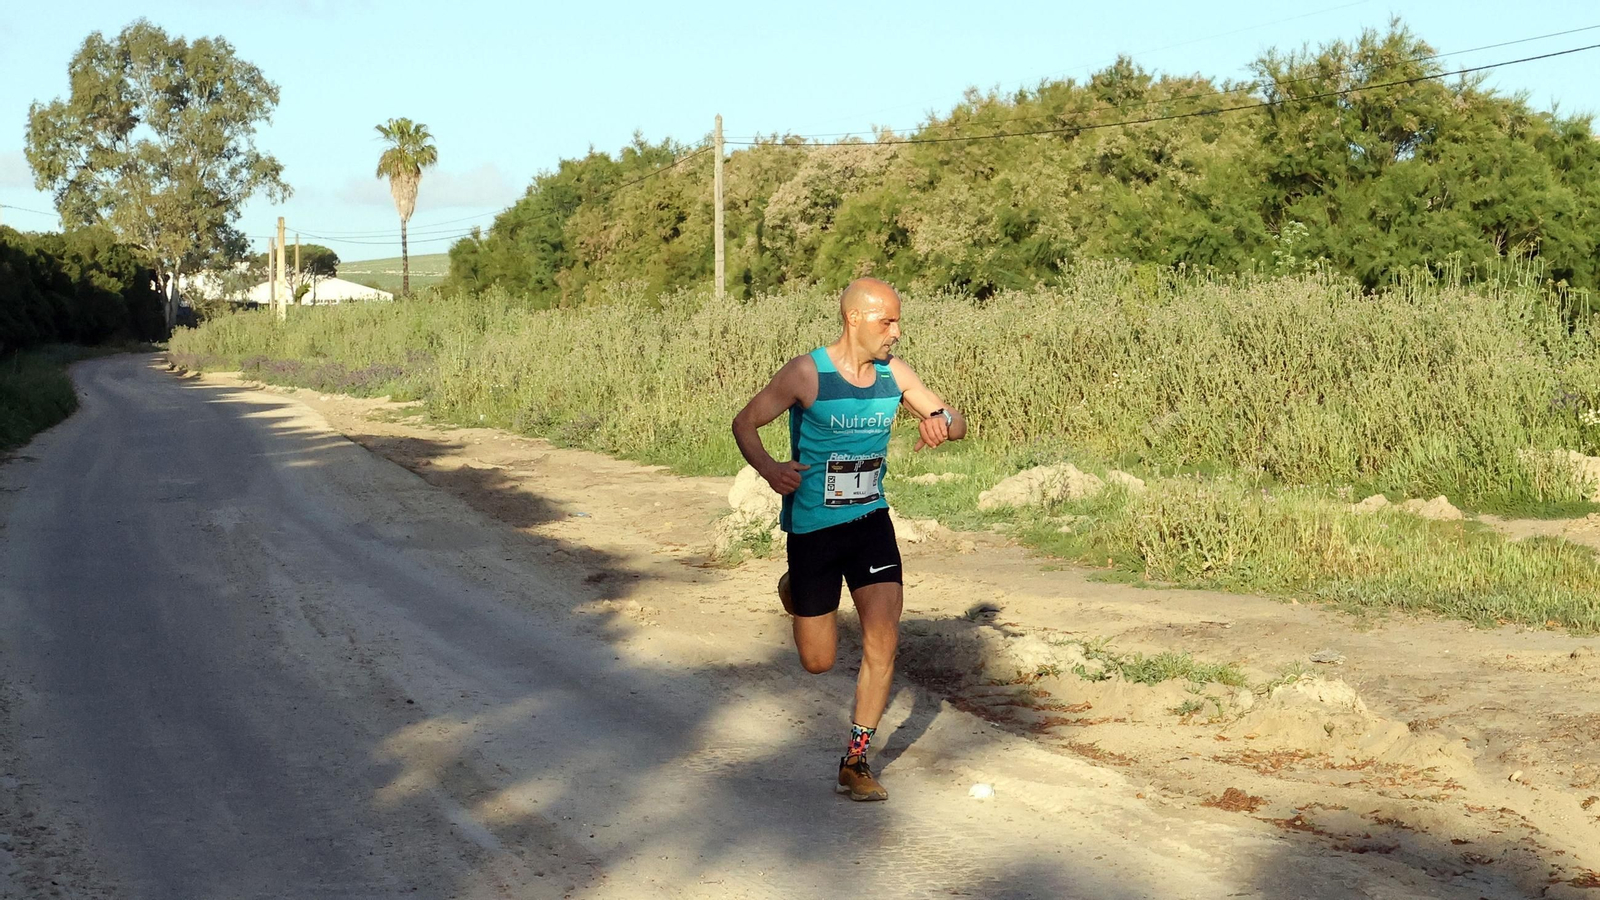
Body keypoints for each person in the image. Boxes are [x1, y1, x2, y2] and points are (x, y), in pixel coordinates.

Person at [731, 277, 967, 801]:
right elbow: (745, 422)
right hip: (814, 530)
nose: (897, 333)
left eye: (898, 321)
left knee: (884, 639)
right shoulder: (805, 373)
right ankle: (796, 587)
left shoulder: (894, 375)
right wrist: (771, 471)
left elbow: (956, 420)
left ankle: (856, 760)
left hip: (869, 524)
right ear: (855, 319)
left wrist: (938, 419)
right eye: (888, 321)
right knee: (818, 661)